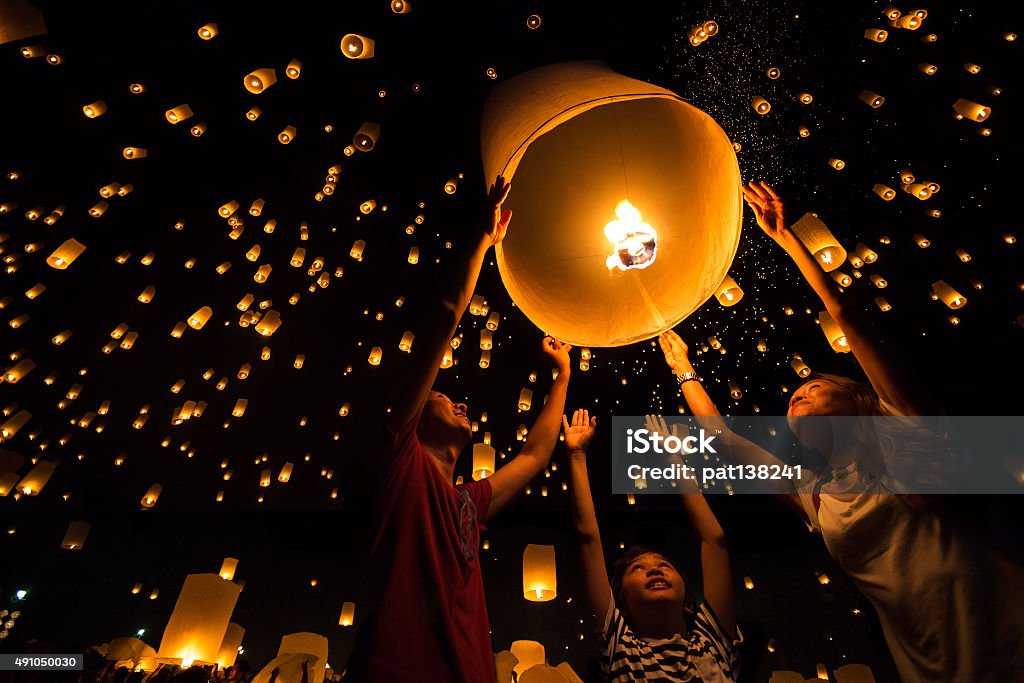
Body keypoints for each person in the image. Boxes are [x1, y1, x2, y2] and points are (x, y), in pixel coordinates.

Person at [653, 181, 1024, 682]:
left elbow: (848, 317)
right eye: (793, 396)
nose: (796, 393)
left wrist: (787, 239)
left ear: (857, 398)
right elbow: (721, 438)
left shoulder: (909, 427)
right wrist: (683, 368)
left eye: (814, 385)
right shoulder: (817, 496)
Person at [346, 176, 574, 682]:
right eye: (443, 397)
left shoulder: (468, 503)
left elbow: (534, 456)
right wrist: (481, 242)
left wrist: (563, 377)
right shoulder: (399, 463)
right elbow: (446, 319)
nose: (460, 400)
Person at [564, 409, 741, 682]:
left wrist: (673, 458)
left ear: (687, 601)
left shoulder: (713, 642)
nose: (654, 570)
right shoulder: (620, 649)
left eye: (664, 565)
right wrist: (576, 455)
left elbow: (714, 541)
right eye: (637, 568)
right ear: (621, 603)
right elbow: (589, 540)